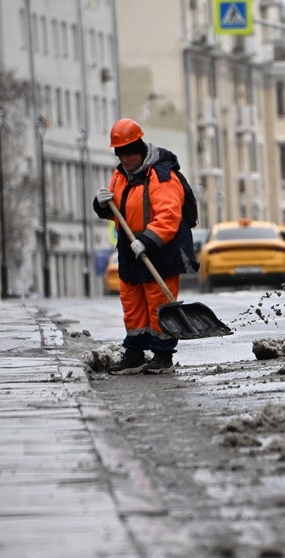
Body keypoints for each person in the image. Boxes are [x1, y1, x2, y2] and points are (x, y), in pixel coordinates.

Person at [93, 118, 197, 374]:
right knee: (132, 305)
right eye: (119, 153)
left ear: (140, 149)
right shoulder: (120, 176)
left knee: (159, 304)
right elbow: (117, 212)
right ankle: (135, 353)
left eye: (128, 152)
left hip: (161, 250)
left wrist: (148, 241)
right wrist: (102, 204)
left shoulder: (161, 175)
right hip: (130, 250)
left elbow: (169, 216)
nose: (124, 158)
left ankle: (162, 355)